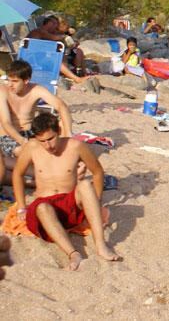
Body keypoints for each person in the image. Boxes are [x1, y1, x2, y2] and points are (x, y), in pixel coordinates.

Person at [12, 113, 120, 271]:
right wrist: (22, 206)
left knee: (85, 185)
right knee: (42, 208)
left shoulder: (76, 146)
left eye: (51, 138)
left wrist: (96, 201)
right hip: (44, 204)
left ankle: (101, 245)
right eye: (42, 141)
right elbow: (17, 173)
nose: (48, 145)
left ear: (59, 131)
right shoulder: (31, 147)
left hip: (69, 202)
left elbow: (97, 172)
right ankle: (73, 253)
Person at [0, 61, 74, 175]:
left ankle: (63, 155)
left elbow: (61, 106)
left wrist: (68, 134)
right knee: (26, 152)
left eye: (14, 81)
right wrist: (22, 141)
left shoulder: (36, 89)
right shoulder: (3, 91)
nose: (10, 84)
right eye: (8, 80)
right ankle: (52, 168)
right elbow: (6, 123)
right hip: (9, 136)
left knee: (61, 124)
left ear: (26, 80)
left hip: (30, 132)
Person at [27, 16, 91, 85]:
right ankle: (77, 79)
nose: (56, 27)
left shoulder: (39, 31)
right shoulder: (40, 31)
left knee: (62, 56)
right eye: (56, 24)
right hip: (33, 60)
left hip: (34, 57)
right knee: (57, 59)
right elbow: (54, 37)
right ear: (50, 23)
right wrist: (65, 36)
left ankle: (75, 74)